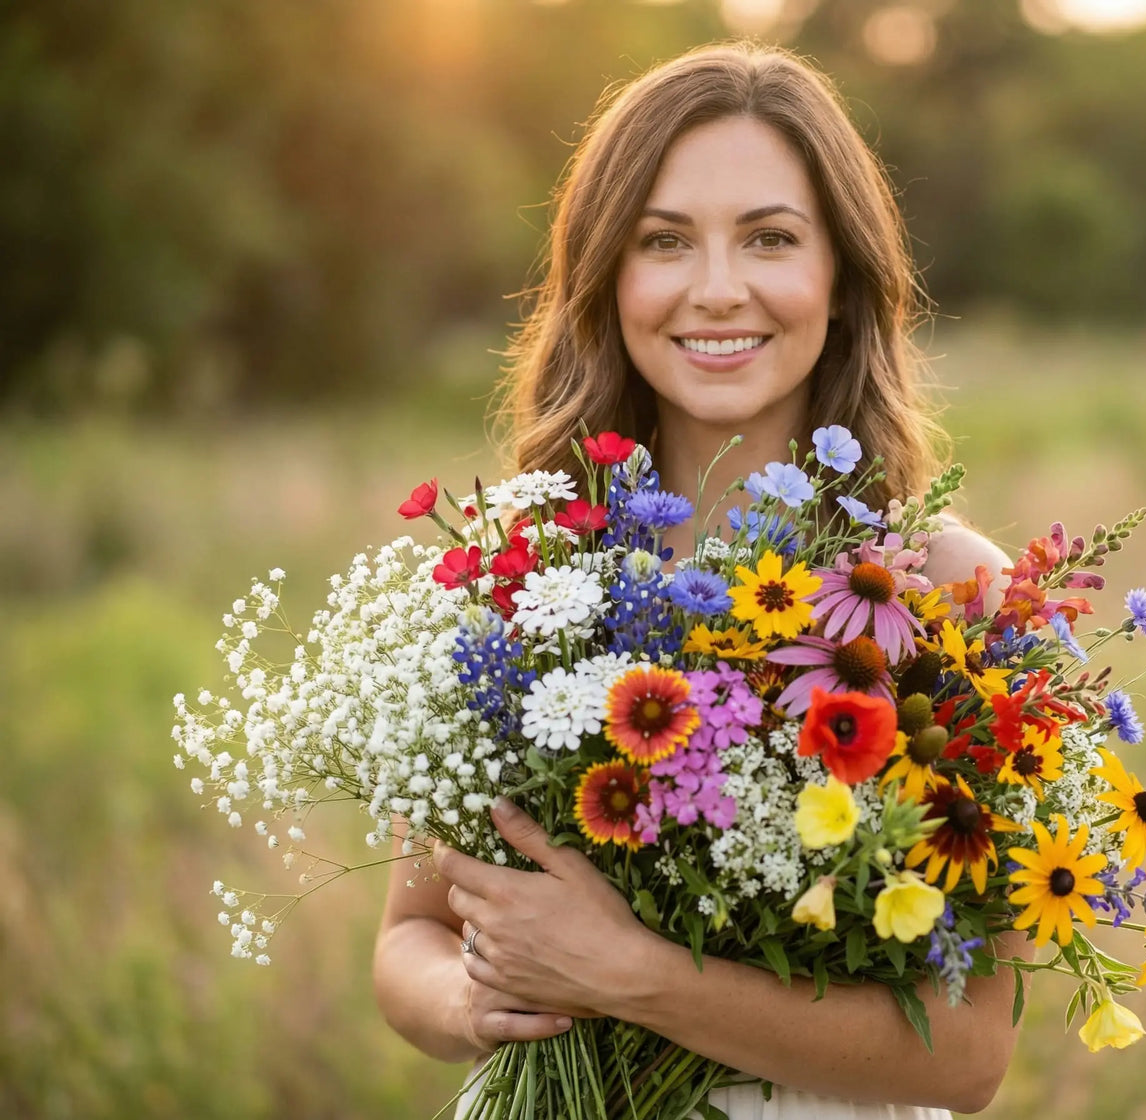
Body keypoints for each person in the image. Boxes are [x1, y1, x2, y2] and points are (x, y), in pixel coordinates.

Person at [373, 42, 1033, 1119]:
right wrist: (479, 1000)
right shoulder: (519, 578)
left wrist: (631, 975)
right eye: (663, 242)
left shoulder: (951, 593)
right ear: (606, 276)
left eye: (770, 238)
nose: (718, 290)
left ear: (842, 276)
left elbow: (969, 1055)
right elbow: (408, 936)